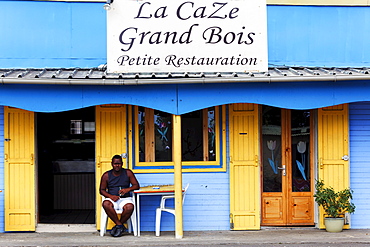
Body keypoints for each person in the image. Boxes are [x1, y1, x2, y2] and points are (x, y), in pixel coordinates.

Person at [100, 154, 140, 237]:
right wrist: (111, 196)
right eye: (115, 164)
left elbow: (136, 185)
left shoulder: (128, 172)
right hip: (112, 199)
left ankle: (118, 226)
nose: (117, 166)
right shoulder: (106, 175)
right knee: (105, 204)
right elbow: (101, 190)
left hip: (125, 199)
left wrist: (127, 189)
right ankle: (120, 226)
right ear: (112, 164)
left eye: (119, 164)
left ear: (122, 163)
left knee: (129, 207)